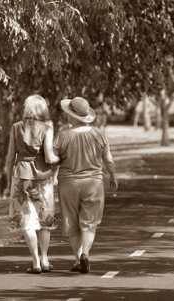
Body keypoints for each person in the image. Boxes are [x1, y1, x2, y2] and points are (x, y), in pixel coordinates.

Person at [55, 97, 117, 274]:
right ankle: (86, 254)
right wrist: (113, 175)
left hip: (68, 183)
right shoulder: (98, 134)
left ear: (72, 117)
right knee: (89, 223)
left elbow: (54, 159)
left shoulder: (63, 135)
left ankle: (77, 258)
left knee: (71, 222)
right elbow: (108, 159)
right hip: (93, 183)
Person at [5, 94, 60, 274]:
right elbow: (50, 156)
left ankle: (35, 261)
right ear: (42, 109)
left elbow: (9, 158)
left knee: (27, 221)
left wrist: (8, 180)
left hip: (21, 177)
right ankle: (45, 258)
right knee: (45, 220)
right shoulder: (48, 127)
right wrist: (60, 160)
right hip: (43, 177)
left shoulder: (15, 128)